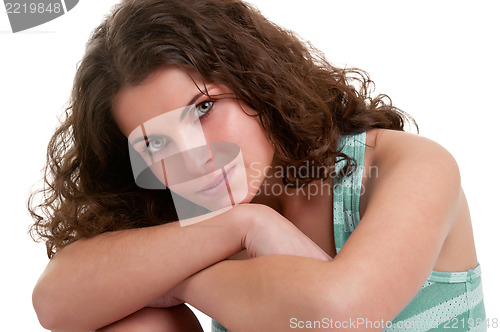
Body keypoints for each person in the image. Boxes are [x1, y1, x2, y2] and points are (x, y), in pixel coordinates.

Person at [29, 0, 486, 331]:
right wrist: (243, 224)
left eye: (204, 108)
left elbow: (339, 315)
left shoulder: (408, 164)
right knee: (141, 324)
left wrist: (178, 279)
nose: (193, 159)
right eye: (155, 142)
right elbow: (53, 302)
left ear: (258, 82)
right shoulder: (198, 215)